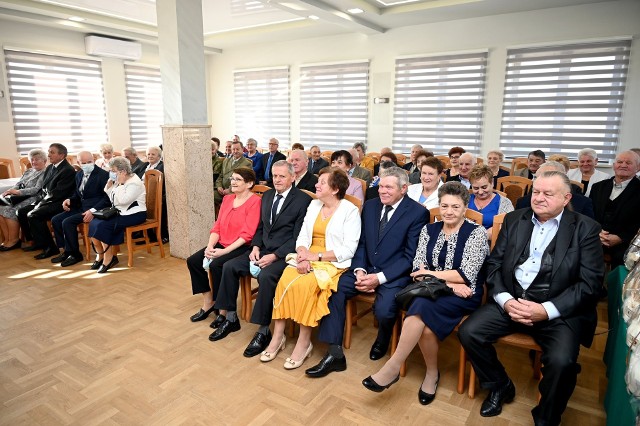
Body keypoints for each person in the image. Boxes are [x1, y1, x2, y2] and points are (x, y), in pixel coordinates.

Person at [459, 171, 604, 425]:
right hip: (512, 300)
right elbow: (494, 264)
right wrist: (505, 300)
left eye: (548, 194)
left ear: (566, 198)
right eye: (536, 192)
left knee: (562, 362)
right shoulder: (515, 219)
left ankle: (546, 418)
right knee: (469, 331)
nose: (539, 198)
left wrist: (545, 310)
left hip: (556, 310)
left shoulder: (585, 228)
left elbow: (590, 284)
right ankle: (500, 384)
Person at [362, 181, 488, 404]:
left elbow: (466, 275)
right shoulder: (428, 230)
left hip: (463, 295)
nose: (449, 211)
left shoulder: (476, 233)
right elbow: (417, 271)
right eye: (445, 206)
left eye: (455, 207)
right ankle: (431, 373)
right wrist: (446, 281)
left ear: (465, 208)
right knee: (426, 327)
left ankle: (394, 367)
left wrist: (435, 275)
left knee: (419, 307)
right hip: (434, 291)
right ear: (439, 206)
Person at [306, 167, 428, 378]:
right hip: (364, 269)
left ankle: (383, 337)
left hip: (393, 275)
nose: (382, 191)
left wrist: (379, 278)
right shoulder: (370, 206)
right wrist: (361, 269)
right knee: (333, 289)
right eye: (380, 186)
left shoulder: (418, 213)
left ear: (404, 188)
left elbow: (410, 257)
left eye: (388, 187)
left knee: (384, 310)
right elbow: (361, 243)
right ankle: (335, 353)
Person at [259, 167, 361, 370]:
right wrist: (303, 255)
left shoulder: (350, 210)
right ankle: (278, 336)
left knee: (307, 286)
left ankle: (304, 342)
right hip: (307, 255)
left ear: (334, 188)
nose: (316, 185)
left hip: (331, 260)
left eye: (322, 182)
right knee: (285, 280)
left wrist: (317, 257)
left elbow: (349, 249)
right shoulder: (314, 205)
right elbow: (303, 236)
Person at [210, 161, 312, 352]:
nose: (277, 180)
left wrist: (275, 255)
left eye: (282, 176)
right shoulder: (267, 195)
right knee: (229, 266)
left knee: (266, 276)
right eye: (274, 176)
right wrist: (256, 246)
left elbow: (298, 237)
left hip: (284, 254)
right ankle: (230, 317)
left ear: (293, 177)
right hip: (262, 249)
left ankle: (263, 330)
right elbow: (261, 227)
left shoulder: (303, 201)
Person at [187, 167, 261, 332]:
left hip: (241, 246)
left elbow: (247, 235)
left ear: (249, 183)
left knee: (217, 265)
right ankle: (209, 302)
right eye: (232, 179)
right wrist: (210, 246)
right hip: (222, 243)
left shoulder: (255, 201)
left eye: (238, 179)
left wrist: (224, 252)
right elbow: (217, 227)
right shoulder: (227, 199)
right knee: (193, 261)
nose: (232, 182)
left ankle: (223, 311)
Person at [50, 151, 110, 266]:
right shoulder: (79, 174)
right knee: (56, 220)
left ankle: (75, 254)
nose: (87, 164)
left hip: (95, 209)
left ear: (93, 160)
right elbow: (77, 194)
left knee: (67, 222)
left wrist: (93, 211)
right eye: (84, 163)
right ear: (78, 163)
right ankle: (66, 251)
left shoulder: (102, 175)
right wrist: (69, 200)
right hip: (80, 207)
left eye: (90, 162)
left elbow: (107, 198)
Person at [88, 156, 147, 273]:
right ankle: (101, 255)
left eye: (113, 171)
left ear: (123, 171)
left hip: (135, 214)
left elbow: (124, 200)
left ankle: (109, 258)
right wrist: (111, 187)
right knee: (94, 222)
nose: (111, 173)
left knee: (103, 225)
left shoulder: (134, 182)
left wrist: (119, 185)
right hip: (122, 212)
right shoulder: (121, 179)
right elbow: (114, 200)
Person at [18, 143, 76, 257]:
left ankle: (50, 248)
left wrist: (40, 204)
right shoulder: (50, 167)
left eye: (52, 152)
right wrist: (39, 202)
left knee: (34, 215)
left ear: (62, 155)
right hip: (48, 200)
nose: (49, 155)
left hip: (60, 203)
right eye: (49, 152)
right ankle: (38, 242)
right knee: (21, 212)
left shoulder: (67, 170)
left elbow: (58, 193)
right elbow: (44, 188)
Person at [589, 150, 640, 267]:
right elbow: (590, 214)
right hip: (595, 236)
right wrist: (597, 233)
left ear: (637, 167)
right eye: (620, 162)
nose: (623, 165)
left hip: (626, 242)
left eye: (628, 162)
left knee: (623, 260)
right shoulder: (598, 187)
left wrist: (621, 238)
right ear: (614, 166)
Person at [0, 149, 47, 251]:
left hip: (34, 198)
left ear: (44, 160)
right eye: (32, 159)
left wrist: (17, 192)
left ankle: (14, 240)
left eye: (37, 159)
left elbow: (37, 189)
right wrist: (9, 191)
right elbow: (18, 184)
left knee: (9, 210)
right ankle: (7, 239)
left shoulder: (45, 172)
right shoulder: (29, 171)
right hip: (19, 197)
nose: (34, 162)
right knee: (0, 208)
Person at [516, 161, 595, 219]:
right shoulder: (523, 203)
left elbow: (588, 229)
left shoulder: (583, 203)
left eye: (548, 178)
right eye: (537, 178)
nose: (539, 198)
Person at [468, 165, 514, 238]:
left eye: (484, 187)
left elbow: (508, 226)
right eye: (476, 188)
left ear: (492, 183)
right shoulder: (465, 199)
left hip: (491, 243)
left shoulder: (504, 203)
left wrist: (481, 237)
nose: (480, 192)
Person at [215, 141, 253, 207]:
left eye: (237, 149)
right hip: (222, 191)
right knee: (210, 196)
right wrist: (219, 186)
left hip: (236, 191)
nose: (235, 151)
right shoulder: (226, 161)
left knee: (228, 202)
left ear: (242, 149)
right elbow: (221, 176)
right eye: (233, 149)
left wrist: (229, 190)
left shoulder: (247, 163)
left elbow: (243, 181)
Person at [144, 146, 168, 243]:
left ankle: (162, 235)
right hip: (145, 194)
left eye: (153, 154)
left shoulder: (162, 167)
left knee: (159, 207)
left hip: (158, 195)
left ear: (159, 156)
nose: (150, 156)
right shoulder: (145, 166)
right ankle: (147, 235)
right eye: (148, 154)